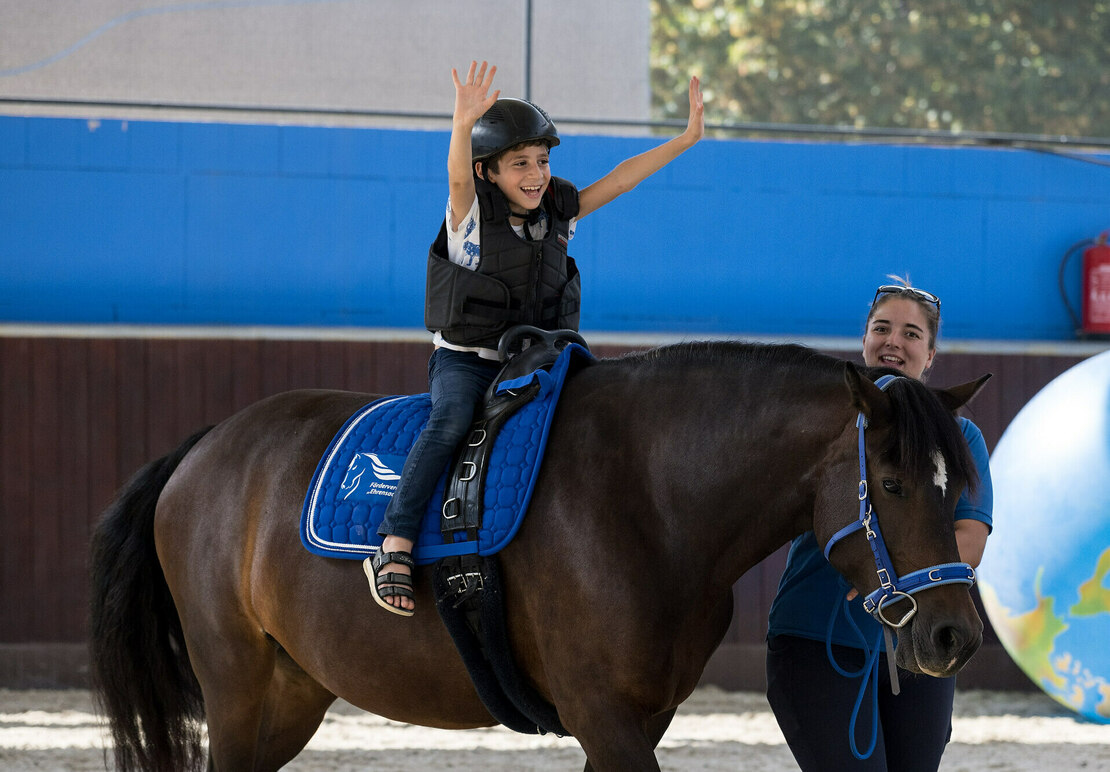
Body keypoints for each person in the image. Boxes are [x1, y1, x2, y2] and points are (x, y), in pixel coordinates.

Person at [365, 61, 705, 616]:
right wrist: (461, 121)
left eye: (542, 161)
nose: (536, 173)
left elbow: (621, 178)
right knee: (450, 420)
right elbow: (455, 177)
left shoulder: (557, 216)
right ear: (487, 172)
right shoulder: (469, 220)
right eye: (519, 163)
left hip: (535, 361)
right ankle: (396, 540)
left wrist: (685, 140)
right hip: (469, 363)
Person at [765, 278, 994, 771]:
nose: (894, 341)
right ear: (864, 340)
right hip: (817, 635)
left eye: (912, 334)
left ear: (930, 355)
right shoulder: (828, 423)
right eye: (881, 328)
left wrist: (894, 578)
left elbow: (970, 537)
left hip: (920, 641)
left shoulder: (962, 435)